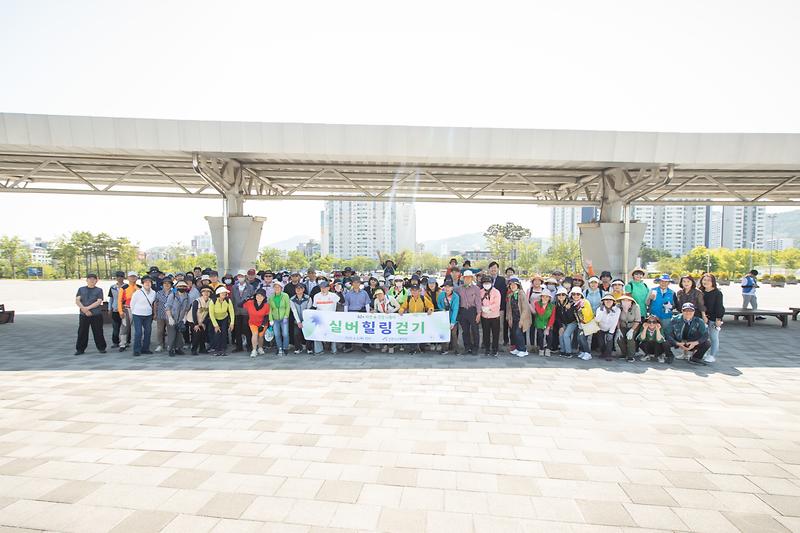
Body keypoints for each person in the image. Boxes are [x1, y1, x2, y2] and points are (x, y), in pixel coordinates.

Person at [74, 273, 107, 356]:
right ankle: (80, 349)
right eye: (90, 279)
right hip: (83, 314)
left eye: (93, 279)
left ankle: (101, 348)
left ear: (97, 280)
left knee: (98, 331)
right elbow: (77, 300)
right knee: (82, 332)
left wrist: (87, 308)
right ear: (86, 280)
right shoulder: (81, 289)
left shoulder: (99, 290)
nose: (92, 280)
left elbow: (99, 301)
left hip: (96, 314)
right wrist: (84, 310)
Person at [398, 281, 434, 355]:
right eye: (413, 290)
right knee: (412, 334)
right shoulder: (408, 299)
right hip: (411, 320)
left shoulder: (423, 298)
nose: (414, 292)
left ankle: (422, 348)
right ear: (410, 291)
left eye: (416, 290)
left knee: (422, 334)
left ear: (419, 291)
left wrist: (430, 310)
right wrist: (401, 310)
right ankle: (412, 349)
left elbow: (430, 306)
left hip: (421, 320)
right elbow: (403, 307)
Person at [129, 275, 157, 356]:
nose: (148, 283)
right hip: (137, 314)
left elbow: (153, 304)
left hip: (148, 314)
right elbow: (132, 304)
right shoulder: (137, 292)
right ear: (142, 283)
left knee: (148, 331)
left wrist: (154, 314)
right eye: (146, 282)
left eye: (149, 282)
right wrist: (134, 312)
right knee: (138, 332)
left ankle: (145, 348)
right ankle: (136, 349)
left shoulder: (153, 293)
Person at [455, 270, 482, 355]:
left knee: (475, 330)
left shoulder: (476, 288)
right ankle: (467, 347)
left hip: (472, 310)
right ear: (463, 278)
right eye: (465, 277)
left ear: (471, 278)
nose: (467, 279)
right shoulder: (459, 289)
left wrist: (478, 313)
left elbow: (478, 301)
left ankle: (475, 348)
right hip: (463, 311)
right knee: (465, 331)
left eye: (469, 277)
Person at [700, 273, 725, 363]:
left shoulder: (717, 293)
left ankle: (712, 355)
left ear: (713, 282)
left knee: (713, 337)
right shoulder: (700, 291)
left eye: (708, 280)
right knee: (703, 337)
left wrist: (719, 319)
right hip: (702, 318)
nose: (706, 282)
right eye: (704, 280)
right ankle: (703, 353)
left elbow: (719, 307)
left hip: (713, 318)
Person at [343, 276, 371, 353]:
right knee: (349, 330)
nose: (356, 284)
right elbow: (346, 305)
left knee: (364, 330)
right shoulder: (348, 294)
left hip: (362, 312)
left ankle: (365, 346)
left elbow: (367, 304)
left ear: (360, 283)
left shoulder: (364, 293)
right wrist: (346, 315)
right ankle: (348, 346)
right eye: (355, 282)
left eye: (358, 282)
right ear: (352, 283)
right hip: (351, 313)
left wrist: (368, 314)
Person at [165, 280, 192, 356]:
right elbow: (168, 307)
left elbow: (187, 308)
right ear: (177, 287)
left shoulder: (187, 296)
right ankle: (171, 349)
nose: (182, 288)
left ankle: (178, 348)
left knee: (179, 334)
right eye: (180, 286)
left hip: (181, 318)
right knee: (172, 334)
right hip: (172, 317)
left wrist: (185, 318)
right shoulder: (172, 295)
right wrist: (170, 317)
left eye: (183, 286)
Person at [311, 280, 339, 354]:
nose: (323, 289)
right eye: (321, 287)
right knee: (317, 333)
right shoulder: (316, 296)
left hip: (331, 318)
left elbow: (342, 301)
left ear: (328, 288)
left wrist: (339, 292)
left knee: (332, 333)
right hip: (319, 318)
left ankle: (334, 349)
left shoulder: (333, 295)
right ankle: (318, 350)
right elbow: (314, 306)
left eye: (325, 287)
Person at [231, 270, 256, 353]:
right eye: (239, 276)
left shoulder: (250, 287)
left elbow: (252, 299)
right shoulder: (234, 287)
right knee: (237, 330)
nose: (240, 278)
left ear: (245, 277)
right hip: (237, 311)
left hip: (246, 312)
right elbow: (232, 299)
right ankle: (239, 346)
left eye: (242, 276)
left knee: (247, 329)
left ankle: (249, 346)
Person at [506, 278, 531, 357]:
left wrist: (522, 320)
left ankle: (523, 350)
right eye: (511, 285)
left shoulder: (521, 294)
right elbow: (509, 309)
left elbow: (525, 308)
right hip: (514, 318)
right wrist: (509, 318)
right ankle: (518, 348)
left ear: (518, 285)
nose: (512, 286)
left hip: (521, 318)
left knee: (518, 333)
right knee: (514, 333)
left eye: (514, 284)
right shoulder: (511, 295)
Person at [208, 286, 235, 356]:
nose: (224, 295)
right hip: (215, 319)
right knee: (217, 334)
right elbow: (211, 314)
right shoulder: (212, 301)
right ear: (218, 294)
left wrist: (232, 323)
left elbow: (231, 312)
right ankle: (217, 350)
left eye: (225, 293)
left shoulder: (228, 300)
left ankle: (223, 350)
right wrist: (215, 325)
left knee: (224, 333)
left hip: (224, 318)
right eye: (222, 293)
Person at [479, 275, 502, 357]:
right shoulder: (480, 292)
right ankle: (487, 349)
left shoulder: (496, 292)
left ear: (491, 283)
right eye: (485, 283)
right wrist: (482, 308)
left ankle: (495, 349)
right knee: (486, 333)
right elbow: (479, 302)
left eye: (488, 282)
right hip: (484, 316)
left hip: (494, 316)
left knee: (495, 334)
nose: (486, 284)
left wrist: (489, 308)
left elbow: (497, 304)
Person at [117, 271, 140, 352]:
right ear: (128, 277)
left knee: (139, 327)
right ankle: (122, 344)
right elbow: (119, 300)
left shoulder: (140, 287)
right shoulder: (124, 287)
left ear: (137, 277)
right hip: (127, 309)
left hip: (138, 310)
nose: (132, 278)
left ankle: (138, 343)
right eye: (131, 276)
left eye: (134, 276)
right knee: (124, 326)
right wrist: (120, 312)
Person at [487, 262, 508, 347]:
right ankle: (489, 342)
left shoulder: (502, 280)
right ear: (489, 269)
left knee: (499, 326)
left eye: (495, 267)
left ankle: (498, 342)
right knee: (488, 326)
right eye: (491, 268)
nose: (493, 269)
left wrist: (499, 306)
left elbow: (503, 294)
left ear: (498, 269)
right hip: (487, 308)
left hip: (500, 308)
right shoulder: (486, 279)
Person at [243, 289, 270, 357]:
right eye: (257, 295)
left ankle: (260, 348)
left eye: (261, 296)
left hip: (263, 323)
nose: (259, 297)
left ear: (264, 297)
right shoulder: (250, 303)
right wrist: (245, 300)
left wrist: (263, 325)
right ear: (255, 296)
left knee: (260, 336)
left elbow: (266, 316)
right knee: (254, 334)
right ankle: (254, 350)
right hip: (253, 322)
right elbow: (239, 305)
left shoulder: (266, 305)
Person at [570, 287, 595, 360]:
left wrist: (582, 308)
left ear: (581, 295)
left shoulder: (585, 302)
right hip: (580, 324)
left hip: (587, 324)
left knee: (582, 338)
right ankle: (583, 351)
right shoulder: (574, 303)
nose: (576, 296)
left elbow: (587, 314)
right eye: (574, 294)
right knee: (579, 338)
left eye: (578, 294)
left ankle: (588, 353)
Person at [373, 288, 401, 353]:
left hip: (391, 317)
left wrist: (391, 311)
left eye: (380, 294)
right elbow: (376, 309)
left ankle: (391, 346)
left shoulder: (390, 298)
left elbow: (398, 306)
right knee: (382, 331)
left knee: (390, 332)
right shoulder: (376, 300)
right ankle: (384, 345)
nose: (379, 296)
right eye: (377, 295)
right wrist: (373, 311)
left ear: (383, 294)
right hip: (382, 318)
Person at [595, 293, 621, 361]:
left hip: (611, 327)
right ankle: (603, 353)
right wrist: (602, 311)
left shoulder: (617, 310)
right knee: (601, 342)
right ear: (603, 301)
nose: (608, 301)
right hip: (600, 327)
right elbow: (597, 320)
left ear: (613, 302)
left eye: (610, 300)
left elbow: (615, 321)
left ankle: (608, 355)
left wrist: (611, 332)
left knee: (609, 341)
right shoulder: (599, 309)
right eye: (606, 300)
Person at [616, 294, 641, 362]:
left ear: (631, 301)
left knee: (630, 338)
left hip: (633, 325)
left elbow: (637, 320)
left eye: (628, 300)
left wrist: (632, 330)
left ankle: (631, 355)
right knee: (619, 339)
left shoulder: (636, 307)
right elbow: (617, 319)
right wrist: (618, 329)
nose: (625, 302)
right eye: (623, 300)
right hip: (622, 325)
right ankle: (624, 353)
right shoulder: (618, 307)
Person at [437, 280, 460, 355]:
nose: (447, 289)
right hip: (443, 318)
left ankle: (456, 349)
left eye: (449, 287)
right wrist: (441, 309)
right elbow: (439, 303)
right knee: (444, 333)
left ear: (452, 288)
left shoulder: (456, 297)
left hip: (453, 317)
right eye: (445, 287)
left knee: (453, 334)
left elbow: (455, 309)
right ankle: (444, 349)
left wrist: (452, 322)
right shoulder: (441, 294)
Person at [269, 280, 291, 356]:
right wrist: (271, 319)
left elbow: (288, 306)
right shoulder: (271, 297)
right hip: (275, 318)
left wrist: (286, 316)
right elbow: (270, 309)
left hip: (284, 317)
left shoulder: (285, 295)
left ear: (281, 288)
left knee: (285, 334)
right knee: (277, 334)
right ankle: (279, 348)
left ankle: (285, 347)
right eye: (275, 287)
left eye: (278, 287)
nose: (276, 288)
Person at [188, 286, 212, 355]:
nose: (206, 293)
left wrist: (204, 322)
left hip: (202, 319)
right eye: (204, 291)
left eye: (208, 292)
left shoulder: (210, 301)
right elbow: (194, 313)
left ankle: (202, 349)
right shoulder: (197, 301)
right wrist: (196, 324)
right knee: (197, 333)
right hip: (193, 320)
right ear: (201, 293)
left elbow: (209, 313)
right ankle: (194, 349)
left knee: (203, 334)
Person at [290, 283, 313, 354]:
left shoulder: (308, 298)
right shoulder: (292, 299)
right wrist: (298, 322)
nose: (298, 290)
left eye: (300, 288)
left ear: (303, 289)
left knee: (308, 333)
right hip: (297, 320)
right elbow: (294, 311)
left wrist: (305, 321)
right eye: (297, 288)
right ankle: (298, 348)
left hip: (307, 319)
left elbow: (309, 310)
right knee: (296, 334)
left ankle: (309, 348)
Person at [531, 292, 555, 356]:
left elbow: (552, 317)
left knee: (549, 336)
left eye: (547, 297)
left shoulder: (552, 306)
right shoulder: (537, 303)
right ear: (541, 297)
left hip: (548, 322)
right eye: (543, 296)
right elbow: (540, 313)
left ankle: (548, 349)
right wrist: (544, 306)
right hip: (539, 322)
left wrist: (548, 327)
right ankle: (541, 349)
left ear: (549, 298)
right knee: (540, 336)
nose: (545, 298)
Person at [153, 277, 173, 353]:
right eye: (165, 283)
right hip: (160, 314)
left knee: (170, 330)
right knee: (160, 330)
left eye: (169, 283)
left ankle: (170, 345)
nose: (167, 285)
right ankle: (160, 345)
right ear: (162, 285)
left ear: (171, 285)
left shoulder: (174, 293)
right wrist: (155, 313)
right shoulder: (158, 293)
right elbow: (155, 303)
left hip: (170, 315)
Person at [554, 287, 575, 357]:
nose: (561, 296)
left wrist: (568, 310)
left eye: (563, 294)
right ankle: (562, 351)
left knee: (566, 335)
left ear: (566, 296)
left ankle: (568, 352)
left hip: (572, 322)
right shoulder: (556, 304)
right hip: (563, 323)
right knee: (561, 334)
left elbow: (571, 317)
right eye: (559, 295)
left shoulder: (570, 304)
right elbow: (557, 317)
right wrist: (560, 326)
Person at [107, 271, 125, 348]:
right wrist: (109, 308)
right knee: (115, 327)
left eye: (121, 276)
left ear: (124, 277)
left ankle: (125, 342)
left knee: (125, 327)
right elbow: (111, 298)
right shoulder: (112, 287)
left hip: (124, 309)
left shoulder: (127, 287)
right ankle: (115, 342)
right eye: (118, 276)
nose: (119, 278)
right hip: (115, 309)